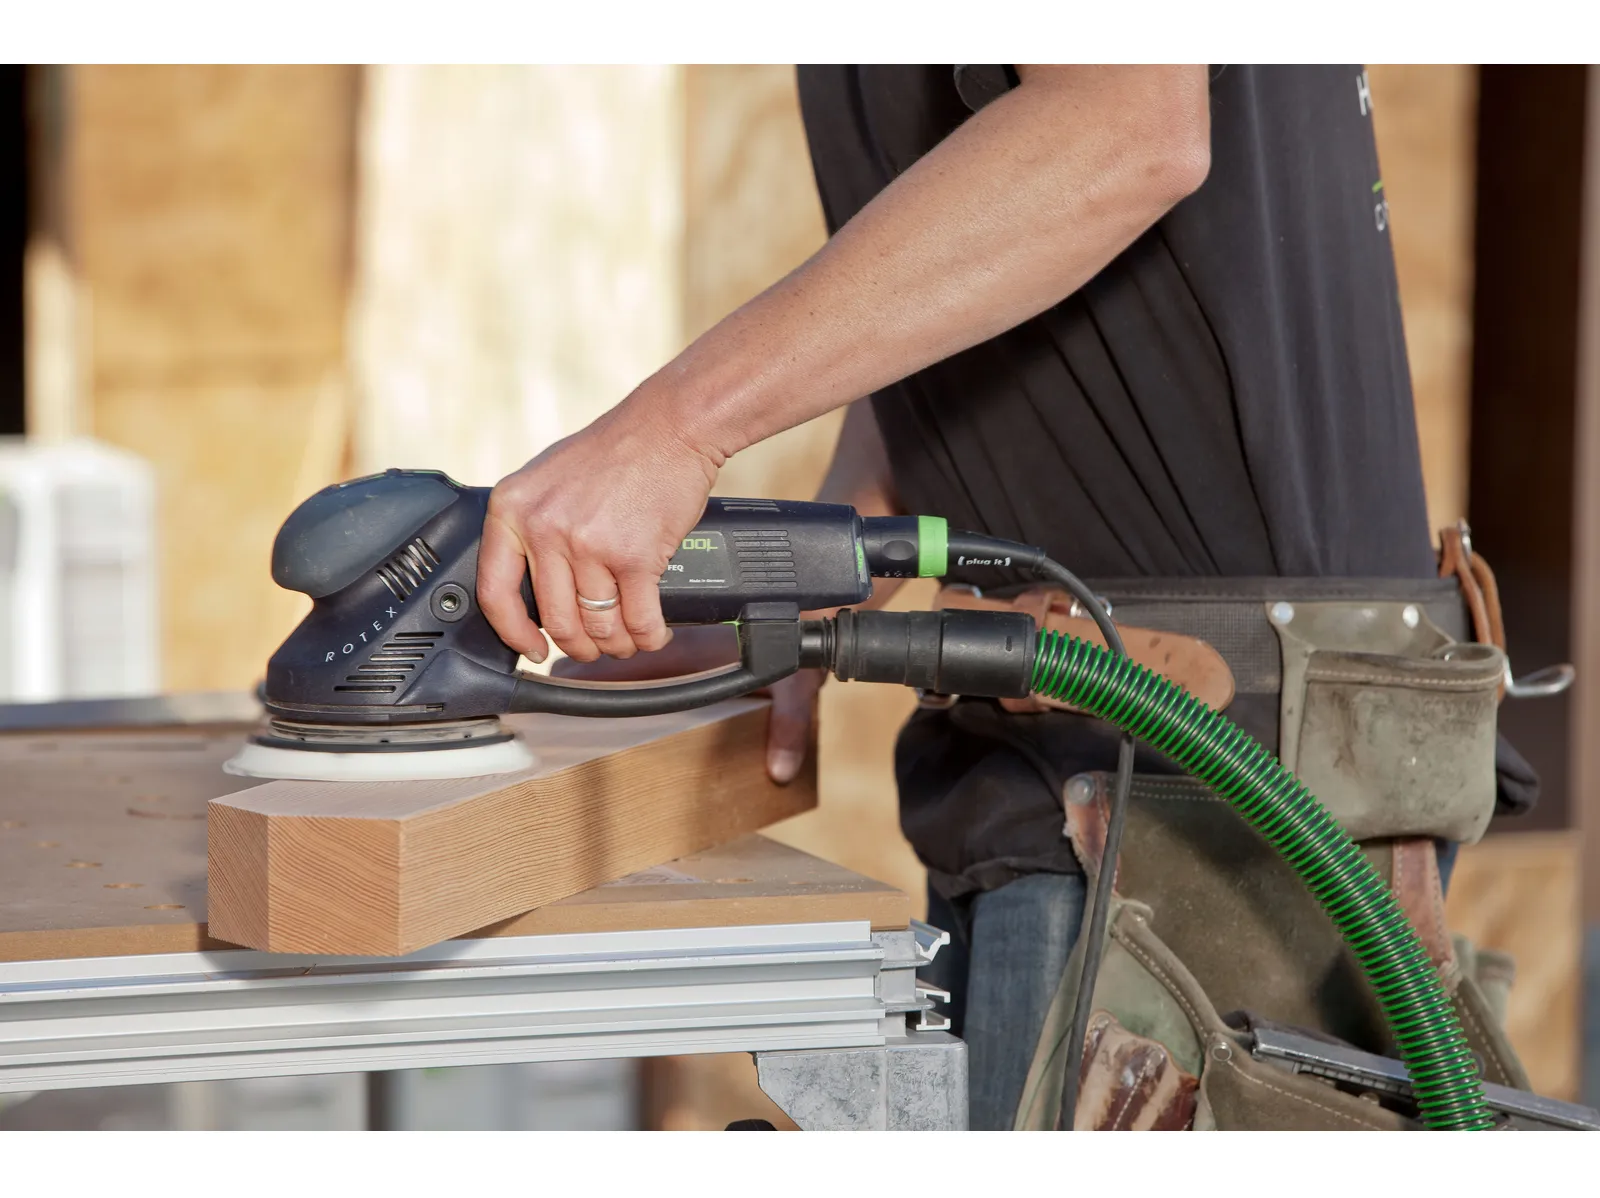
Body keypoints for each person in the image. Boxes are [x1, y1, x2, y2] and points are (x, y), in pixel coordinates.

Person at [476, 66, 1518, 1130]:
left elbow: (1123, 127)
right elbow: (987, 259)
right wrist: (824, 572)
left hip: (1193, 791)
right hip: (1056, 760)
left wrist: (668, 428)